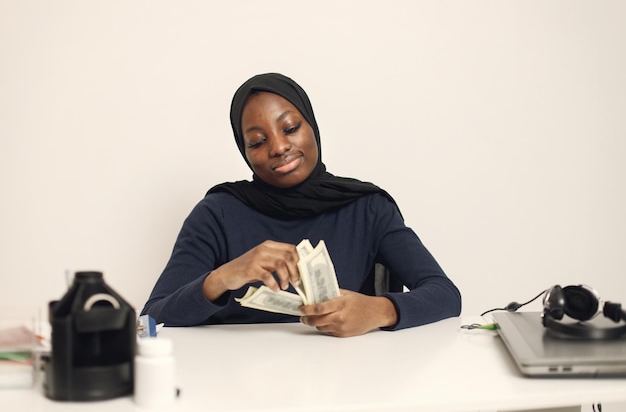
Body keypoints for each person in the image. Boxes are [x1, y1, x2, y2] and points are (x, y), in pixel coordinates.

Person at [141, 73, 461, 337]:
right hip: (238, 387)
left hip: (350, 383)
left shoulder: (367, 208)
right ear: (244, 150)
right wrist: (223, 277)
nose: (279, 147)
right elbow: (153, 317)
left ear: (312, 127)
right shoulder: (217, 213)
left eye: (290, 128)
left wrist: (379, 310)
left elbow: (445, 295)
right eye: (257, 141)